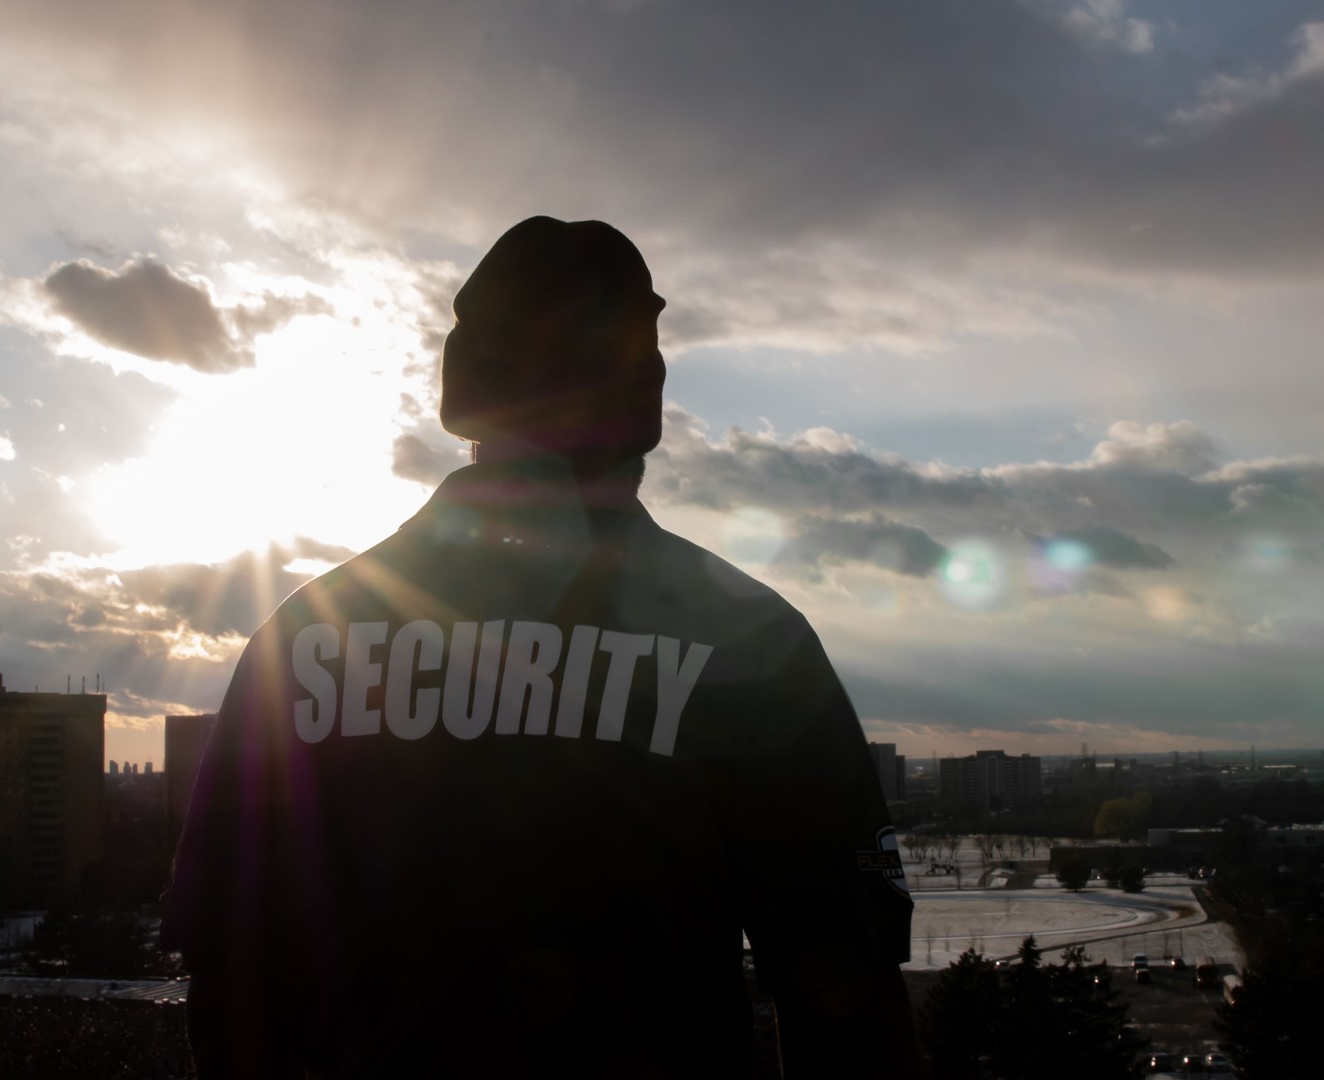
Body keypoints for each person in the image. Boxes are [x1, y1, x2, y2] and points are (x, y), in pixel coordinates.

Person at [163, 216, 918, 1078]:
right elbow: (844, 994)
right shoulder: (748, 639)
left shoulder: (305, 635)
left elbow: (230, 988)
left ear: (468, 391)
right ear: (645, 398)